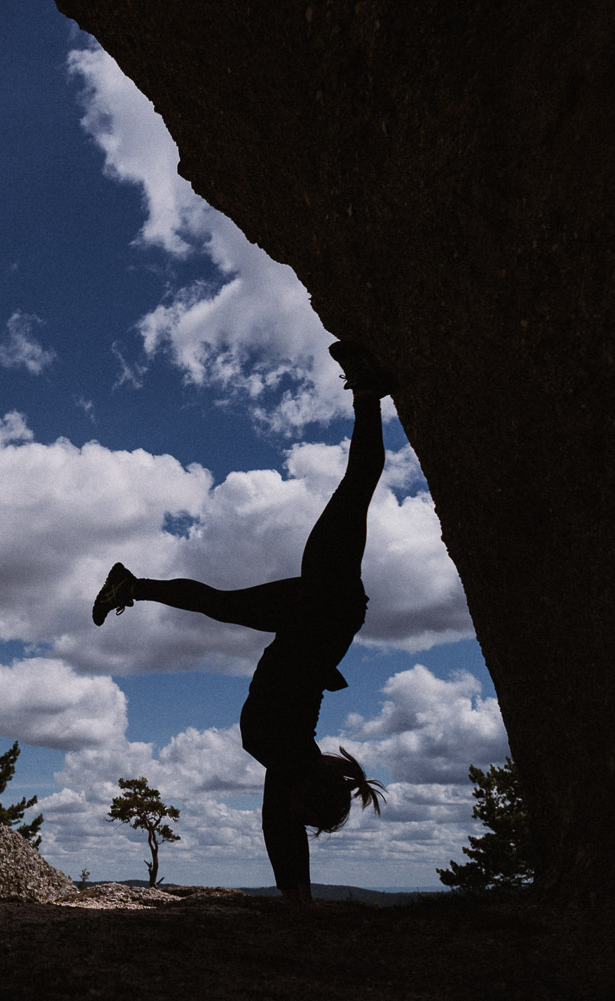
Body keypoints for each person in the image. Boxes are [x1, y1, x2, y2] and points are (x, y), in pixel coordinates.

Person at [91, 341, 392, 908]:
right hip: (321, 608)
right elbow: (279, 830)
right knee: (352, 492)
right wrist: (299, 899)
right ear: (310, 792)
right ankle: (131, 584)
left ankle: (131, 584)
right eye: (305, 814)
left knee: (354, 493)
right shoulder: (291, 756)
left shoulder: (293, 759)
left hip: (329, 611)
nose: (291, 816)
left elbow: (279, 827)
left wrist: (297, 898)